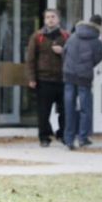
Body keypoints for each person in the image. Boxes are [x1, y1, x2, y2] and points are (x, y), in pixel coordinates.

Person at [25, 9, 69, 147]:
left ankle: (63, 134)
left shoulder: (66, 36)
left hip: (62, 79)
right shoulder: (38, 37)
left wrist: (63, 51)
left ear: (58, 19)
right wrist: (31, 78)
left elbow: (73, 55)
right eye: (47, 17)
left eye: (53, 17)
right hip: (44, 79)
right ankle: (44, 137)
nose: (50, 19)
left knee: (64, 110)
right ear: (44, 20)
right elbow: (31, 59)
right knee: (43, 111)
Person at [62, 14, 102, 150]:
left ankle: (69, 139)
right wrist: (87, 66)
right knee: (86, 108)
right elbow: (99, 58)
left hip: (69, 75)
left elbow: (64, 52)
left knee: (69, 107)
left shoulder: (73, 36)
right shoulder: (96, 41)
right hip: (84, 76)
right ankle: (83, 138)